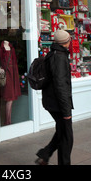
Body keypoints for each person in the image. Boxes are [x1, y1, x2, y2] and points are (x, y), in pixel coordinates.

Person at [36, 29, 74, 165]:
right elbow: (60, 86)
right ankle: (49, 156)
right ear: (66, 42)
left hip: (52, 101)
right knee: (67, 137)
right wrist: (66, 112)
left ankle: (45, 154)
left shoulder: (53, 54)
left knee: (61, 132)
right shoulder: (59, 57)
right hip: (57, 104)